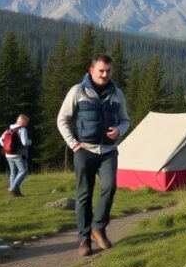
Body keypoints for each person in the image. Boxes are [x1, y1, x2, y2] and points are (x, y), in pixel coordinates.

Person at [56, 54, 130, 256]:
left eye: (108, 71)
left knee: (110, 187)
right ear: (91, 70)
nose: (105, 74)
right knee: (84, 195)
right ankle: (84, 240)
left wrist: (119, 130)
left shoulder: (117, 93)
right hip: (84, 151)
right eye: (101, 71)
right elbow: (62, 119)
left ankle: (98, 226)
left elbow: (125, 120)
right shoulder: (77, 91)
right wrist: (73, 144)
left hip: (108, 151)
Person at [0, 114, 32, 197]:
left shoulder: (9, 129)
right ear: (23, 121)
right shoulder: (23, 129)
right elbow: (25, 143)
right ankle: (13, 188)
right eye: (27, 122)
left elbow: (0, 140)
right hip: (19, 154)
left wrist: (7, 147)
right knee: (24, 171)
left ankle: (15, 193)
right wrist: (30, 142)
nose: (27, 124)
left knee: (13, 172)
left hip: (8, 154)